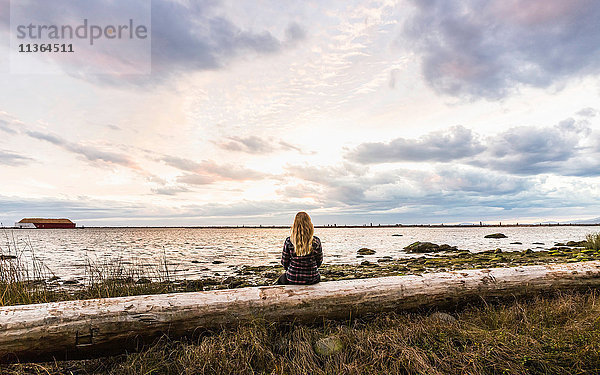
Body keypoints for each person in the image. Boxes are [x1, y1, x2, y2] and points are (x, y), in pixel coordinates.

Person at [276, 211, 323, 285]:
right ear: (309, 225)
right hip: (312, 278)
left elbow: (284, 262)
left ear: (295, 225)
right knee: (319, 277)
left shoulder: (289, 241)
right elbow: (319, 261)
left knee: (280, 280)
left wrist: (291, 270)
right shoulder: (316, 241)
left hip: (293, 278)